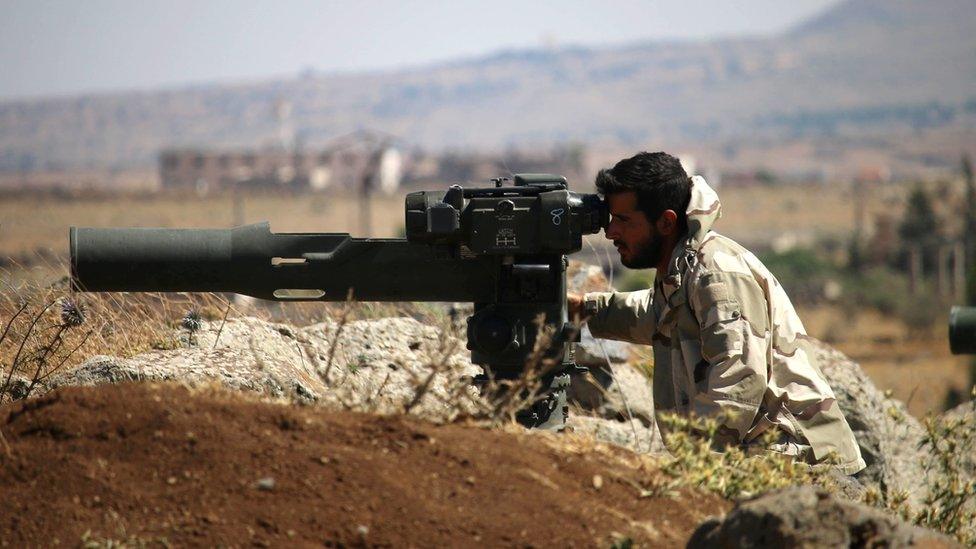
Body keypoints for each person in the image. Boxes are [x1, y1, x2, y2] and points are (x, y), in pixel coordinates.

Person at [569, 152, 864, 474]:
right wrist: (586, 308)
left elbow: (739, 378)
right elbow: (659, 314)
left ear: (666, 222)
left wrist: (692, 465)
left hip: (798, 457)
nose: (610, 233)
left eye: (623, 221)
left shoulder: (715, 273)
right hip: (762, 453)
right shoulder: (683, 269)